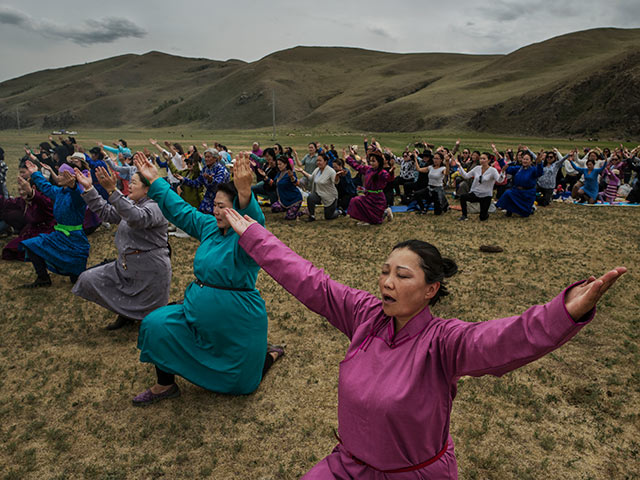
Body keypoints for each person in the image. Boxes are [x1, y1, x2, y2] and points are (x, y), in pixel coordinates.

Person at [224, 207, 626, 479]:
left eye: (402, 275)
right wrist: (255, 236)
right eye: (384, 272)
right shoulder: (365, 315)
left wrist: (564, 313)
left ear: (431, 289)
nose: (386, 282)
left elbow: (505, 339)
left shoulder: (444, 342)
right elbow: (311, 281)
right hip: (349, 468)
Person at [130, 152, 283, 405]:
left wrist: (246, 194)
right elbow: (180, 211)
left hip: (237, 321)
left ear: (237, 208)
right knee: (155, 324)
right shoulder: (209, 226)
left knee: (242, 384)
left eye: (223, 207)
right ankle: (164, 385)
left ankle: (269, 355)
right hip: (195, 312)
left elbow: (256, 224)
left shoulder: (247, 237)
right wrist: (156, 180)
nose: (216, 211)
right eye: (215, 205)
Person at [72, 166, 171, 330]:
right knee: (88, 279)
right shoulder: (130, 202)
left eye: (133, 183)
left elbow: (137, 218)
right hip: (126, 264)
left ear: (147, 189)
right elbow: (107, 213)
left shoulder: (157, 207)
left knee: (153, 318)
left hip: (151, 269)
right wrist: (89, 188)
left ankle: (140, 320)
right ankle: (126, 314)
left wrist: (113, 190)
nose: (129, 186)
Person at [20, 161, 89, 287]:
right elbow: (45, 186)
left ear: (71, 178)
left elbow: (78, 197)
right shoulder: (58, 192)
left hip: (75, 240)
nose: (58, 177)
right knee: (31, 245)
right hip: (58, 235)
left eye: (62, 175)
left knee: (77, 279)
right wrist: (35, 173)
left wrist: (73, 187)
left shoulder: (79, 195)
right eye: (58, 174)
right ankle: (43, 278)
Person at [1, 172, 55, 260]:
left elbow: (43, 202)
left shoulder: (43, 200)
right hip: (32, 231)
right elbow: (7, 203)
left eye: (23, 190)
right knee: (9, 250)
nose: (21, 192)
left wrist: (31, 193)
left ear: (33, 188)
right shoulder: (23, 201)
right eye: (20, 190)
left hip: (46, 233)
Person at [346, 150, 394, 225]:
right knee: (355, 200)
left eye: (373, 161)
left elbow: (388, 178)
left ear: (379, 162)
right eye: (370, 161)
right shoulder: (368, 169)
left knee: (376, 221)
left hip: (378, 199)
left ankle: (383, 213)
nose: (371, 163)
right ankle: (368, 218)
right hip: (368, 196)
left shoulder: (382, 172)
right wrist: (348, 159)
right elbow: (357, 166)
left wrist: (391, 173)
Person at [176, 148, 230, 214]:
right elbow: (197, 183)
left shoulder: (221, 170)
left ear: (215, 158)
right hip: (206, 202)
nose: (206, 159)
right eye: (205, 157)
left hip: (219, 200)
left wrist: (211, 180)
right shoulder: (205, 169)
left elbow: (219, 186)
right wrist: (183, 179)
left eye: (208, 157)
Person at [456, 153, 505, 221]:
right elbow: (466, 176)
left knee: (482, 218)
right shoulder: (477, 168)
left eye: (484, 159)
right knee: (463, 197)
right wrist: (459, 166)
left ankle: (487, 211)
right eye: (481, 158)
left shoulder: (492, 170)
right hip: (475, 193)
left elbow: (499, 180)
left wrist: (502, 172)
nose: (482, 160)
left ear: (488, 160)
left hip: (486, 196)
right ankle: (464, 215)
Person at [496, 152, 543, 217]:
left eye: (527, 159)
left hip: (527, 193)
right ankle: (509, 210)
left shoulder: (533, 170)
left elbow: (539, 173)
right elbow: (508, 169)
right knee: (508, 193)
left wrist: (539, 163)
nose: (525, 161)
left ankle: (529, 210)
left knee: (525, 214)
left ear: (531, 161)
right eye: (524, 159)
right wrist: (500, 159)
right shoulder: (518, 168)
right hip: (516, 191)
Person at [296, 153, 339, 222]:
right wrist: (302, 171)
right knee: (310, 197)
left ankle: (339, 212)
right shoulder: (317, 170)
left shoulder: (331, 171)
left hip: (330, 197)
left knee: (328, 217)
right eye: (317, 161)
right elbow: (311, 178)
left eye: (320, 161)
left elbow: (335, 181)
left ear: (325, 161)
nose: (318, 162)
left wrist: (337, 176)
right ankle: (312, 216)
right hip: (319, 194)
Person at [413, 151, 450, 215]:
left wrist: (447, 162)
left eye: (437, 158)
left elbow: (446, 173)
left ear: (441, 160)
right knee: (416, 194)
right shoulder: (430, 167)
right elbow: (419, 169)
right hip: (429, 189)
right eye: (434, 158)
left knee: (437, 213)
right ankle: (423, 209)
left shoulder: (442, 168)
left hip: (438, 191)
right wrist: (415, 159)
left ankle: (444, 205)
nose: (435, 160)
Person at [272, 156, 303, 220]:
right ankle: (288, 209)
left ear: (286, 164)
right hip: (284, 200)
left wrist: (292, 177)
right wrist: (264, 176)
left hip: (294, 199)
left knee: (289, 217)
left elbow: (296, 183)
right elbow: (274, 183)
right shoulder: (279, 173)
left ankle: (303, 212)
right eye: (278, 164)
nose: (279, 166)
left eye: (280, 164)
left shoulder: (290, 173)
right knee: (274, 207)